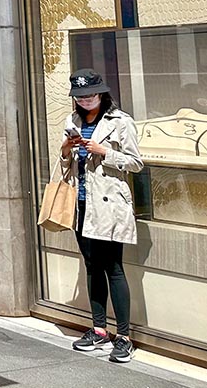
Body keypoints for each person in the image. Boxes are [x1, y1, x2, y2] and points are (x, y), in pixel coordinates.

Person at [60, 68, 143, 363]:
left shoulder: (121, 121)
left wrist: (104, 151)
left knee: (114, 268)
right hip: (81, 204)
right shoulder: (72, 121)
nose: (85, 100)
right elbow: (65, 165)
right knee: (92, 266)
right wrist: (67, 150)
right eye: (80, 96)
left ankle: (124, 336)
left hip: (108, 206)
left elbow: (135, 163)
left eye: (91, 95)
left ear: (102, 93)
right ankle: (98, 329)